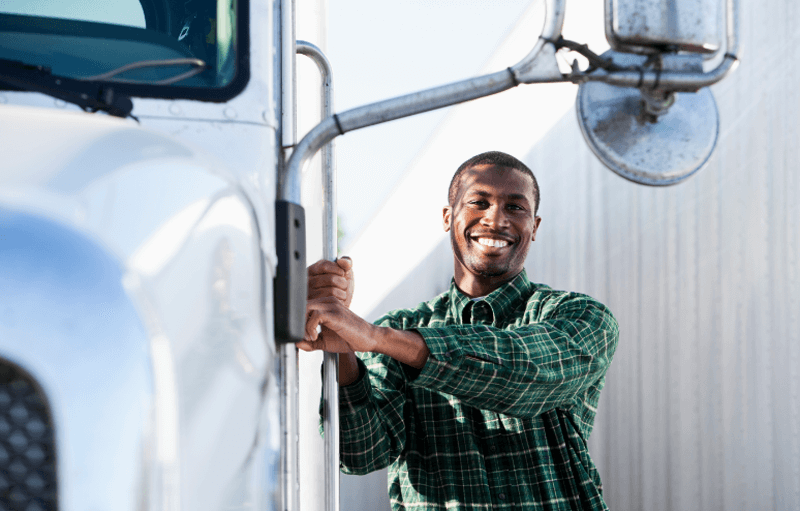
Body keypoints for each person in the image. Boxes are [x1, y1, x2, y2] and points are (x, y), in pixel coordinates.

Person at [300, 151, 619, 510]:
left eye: (515, 207)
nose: (496, 219)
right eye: (479, 202)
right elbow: (360, 454)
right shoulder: (401, 329)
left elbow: (525, 373)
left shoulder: (581, 316)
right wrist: (344, 346)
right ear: (448, 218)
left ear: (535, 226)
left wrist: (374, 338)